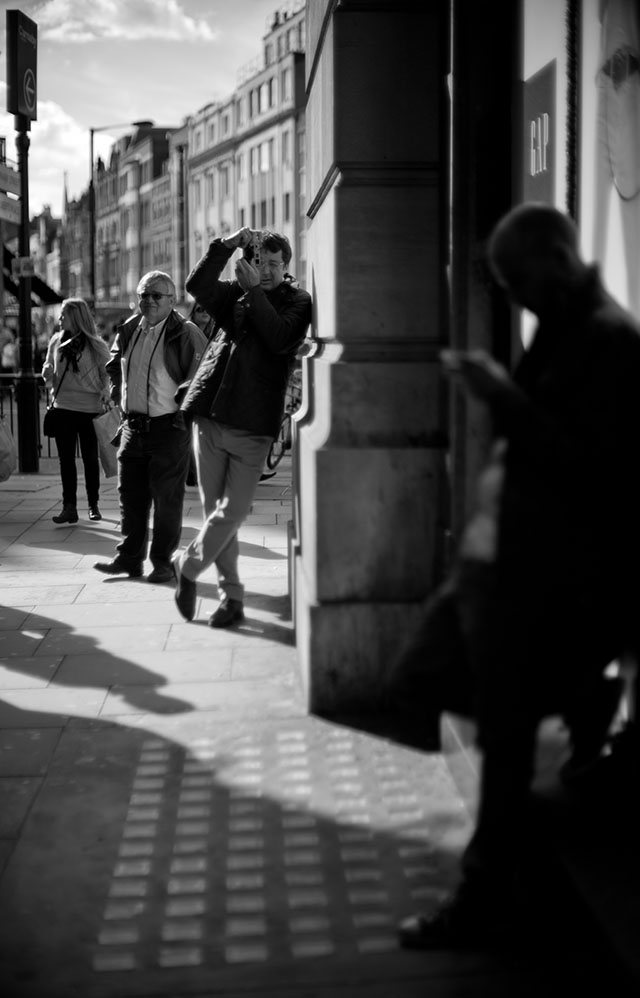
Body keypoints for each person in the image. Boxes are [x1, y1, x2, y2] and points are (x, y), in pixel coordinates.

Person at [394, 202, 640, 949]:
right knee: (415, 681)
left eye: (514, 282)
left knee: (502, 741)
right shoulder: (562, 323)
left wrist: (500, 395)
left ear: (555, 266)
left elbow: (593, 468)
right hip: (495, 556)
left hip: (544, 578)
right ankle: (579, 693)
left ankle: (482, 890)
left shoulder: (610, 341)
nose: (510, 297)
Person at [173, 227, 312, 627]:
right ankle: (230, 599)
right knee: (216, 513)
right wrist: (226, 245)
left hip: (254, 422)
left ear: (286, 266)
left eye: (273, 263)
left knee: (232, 512)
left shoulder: (297, 302)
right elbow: (196, 284)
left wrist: (253, 294)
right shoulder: (234, 292)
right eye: (258, 261)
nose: (265, 270)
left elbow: (280, 338)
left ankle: (187, 565)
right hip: (210, 413)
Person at [93, 270, 206, 584]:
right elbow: (115, 363)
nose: (150, 300)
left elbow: (203, 375)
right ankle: (129, 559)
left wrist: (185, 414)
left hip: (168, 427)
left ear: (171, 300)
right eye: (144, 294)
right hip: (132, 427)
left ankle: (163, 562)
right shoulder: (130, 329)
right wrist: (118, 393)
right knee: (130, 495)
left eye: (157, 295)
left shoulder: (186, 332)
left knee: (167, 498)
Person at [41, 298, 111, 524]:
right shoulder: (55, 341)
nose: (60, 319)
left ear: (76, 317)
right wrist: (47, 373)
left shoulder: (96, 345)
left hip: (90, 409)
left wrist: (106, 391)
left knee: (91, 459)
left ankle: (93, 504)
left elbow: (106, 374)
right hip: (64, 408)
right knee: (66, 460)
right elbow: (50, 373)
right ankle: (69, 506)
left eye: (64, 315)